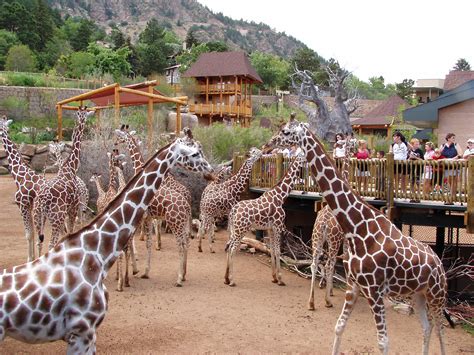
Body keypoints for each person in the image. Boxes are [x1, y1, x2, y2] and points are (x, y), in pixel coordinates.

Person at [440, 133, 463, 205]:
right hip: (446, 166)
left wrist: (452, 159)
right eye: (453, 138)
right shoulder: (443, 145)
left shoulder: (456, 145)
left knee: (454, 181)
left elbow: (460, 154)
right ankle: (450, 197)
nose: (454, 139)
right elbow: (438, 154)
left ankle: (452, 198)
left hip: (454, 166)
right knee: (449, 181)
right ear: (448, 138)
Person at [389, 132, 408, 197]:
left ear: (398, 137)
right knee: (396, 179)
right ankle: (396, 192)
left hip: (404, 162)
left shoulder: (405, 143)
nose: (393, 138)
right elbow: (390, 153)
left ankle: (404, 193)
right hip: (395, 163)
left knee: (404, 179)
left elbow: (412, 149)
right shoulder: (392, 145)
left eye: (394, 137)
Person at [407, 138, 424, 202]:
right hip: (411, 169)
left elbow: (423, 160)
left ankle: (418, 197)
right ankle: (412, 197)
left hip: (418, 169)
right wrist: (409, 158)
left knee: (418, 183)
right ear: (412, 144)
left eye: (418, 144)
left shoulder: (420, 151)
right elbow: (407, 160)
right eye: (416, 144)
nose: (418, 145)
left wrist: (415, 157)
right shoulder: (409, 151)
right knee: (411, 183)